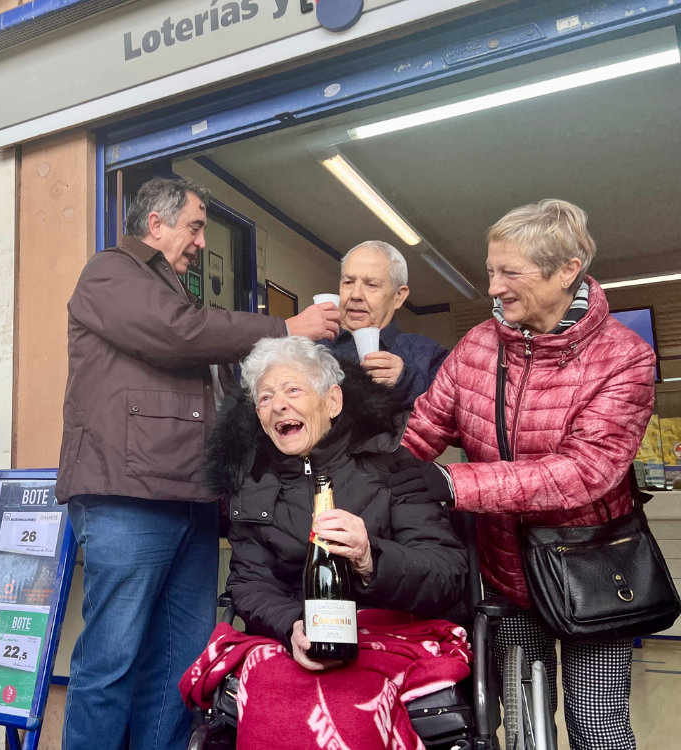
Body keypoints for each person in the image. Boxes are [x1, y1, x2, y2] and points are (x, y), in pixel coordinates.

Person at [58, 176, 341, 750]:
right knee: (112, 661)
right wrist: (285, 327)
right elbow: (175, 335)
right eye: (194, 227)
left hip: (190, 499)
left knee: (180, 666)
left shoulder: (171, 289)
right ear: (155, 225)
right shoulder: (109, 271)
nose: (199, 242)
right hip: (128, 498)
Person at [389, 199, 656, 750]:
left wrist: (455, 483)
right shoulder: (478, 347)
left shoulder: (623, 357)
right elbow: (422, 433)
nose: (494, 287)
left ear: (567, 269)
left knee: (596, 723)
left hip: (590, 569)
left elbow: (588, 471)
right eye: (491, 270)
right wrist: (363, 482)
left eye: (510, 272)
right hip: (506, 572)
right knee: (521, 718)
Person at [188, 336, 469, 748]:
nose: (278, 404)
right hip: (295, 637)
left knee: (354, 702)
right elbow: (249, 583)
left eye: (293, 389)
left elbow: (446, 573)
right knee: (271, 696)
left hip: (390, 629)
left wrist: (370, 558)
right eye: (265, 397)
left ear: (332, 401)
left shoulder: (395, 468)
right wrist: (292, 626)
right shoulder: (253, 484)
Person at [326, 240, 449, 409]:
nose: (355, 295)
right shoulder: (311, 346)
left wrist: (405, 382)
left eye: (371, 285)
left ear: (399, 297)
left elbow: (451, 416)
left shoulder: (430, 354)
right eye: (348, 282)